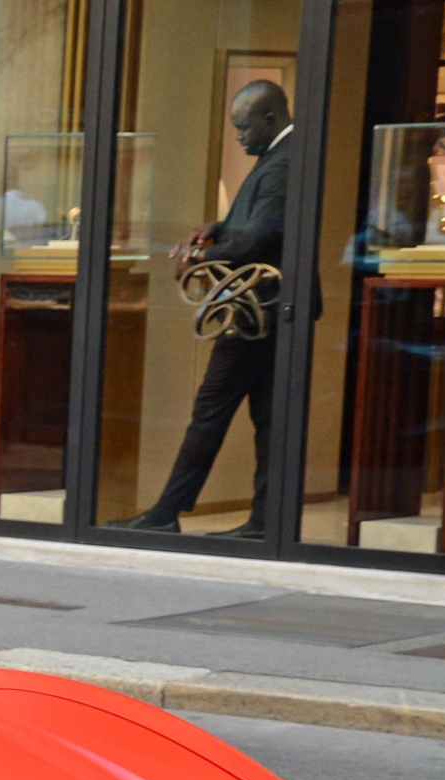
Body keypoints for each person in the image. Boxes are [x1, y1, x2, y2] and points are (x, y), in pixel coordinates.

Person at [108, 81, 297, 541]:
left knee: (210, 412)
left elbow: (262, 239)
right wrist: (217, 228)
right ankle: (264, 522)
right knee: (269, 421)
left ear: (269, 119)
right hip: (270, 310)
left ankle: (166, 514)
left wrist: (202, 258)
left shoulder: (284, 163)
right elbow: (256, 227)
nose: (238, 137)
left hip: (258, 311)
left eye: (242, 126)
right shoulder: (281, 158)